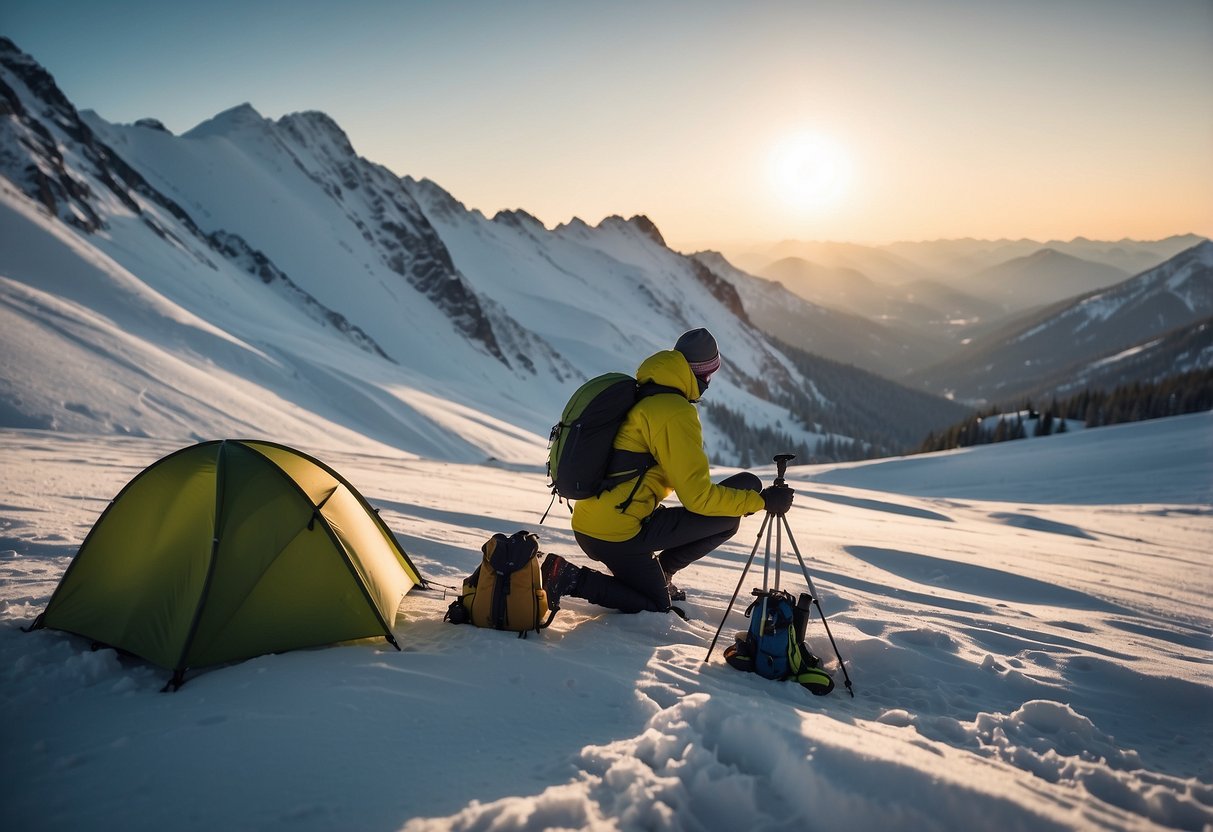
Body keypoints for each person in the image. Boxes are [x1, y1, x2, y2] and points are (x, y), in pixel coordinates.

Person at [541, 328, 795, 614]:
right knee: (655, 605)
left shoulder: (644, 394)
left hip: (604, 520)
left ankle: (661, 574)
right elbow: (698, 499)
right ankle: (569, 577)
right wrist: (762, 502)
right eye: (710, 375)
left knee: (735, 503)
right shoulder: (673, 411)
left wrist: (750, 498)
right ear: (701, 374)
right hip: (616, 534)